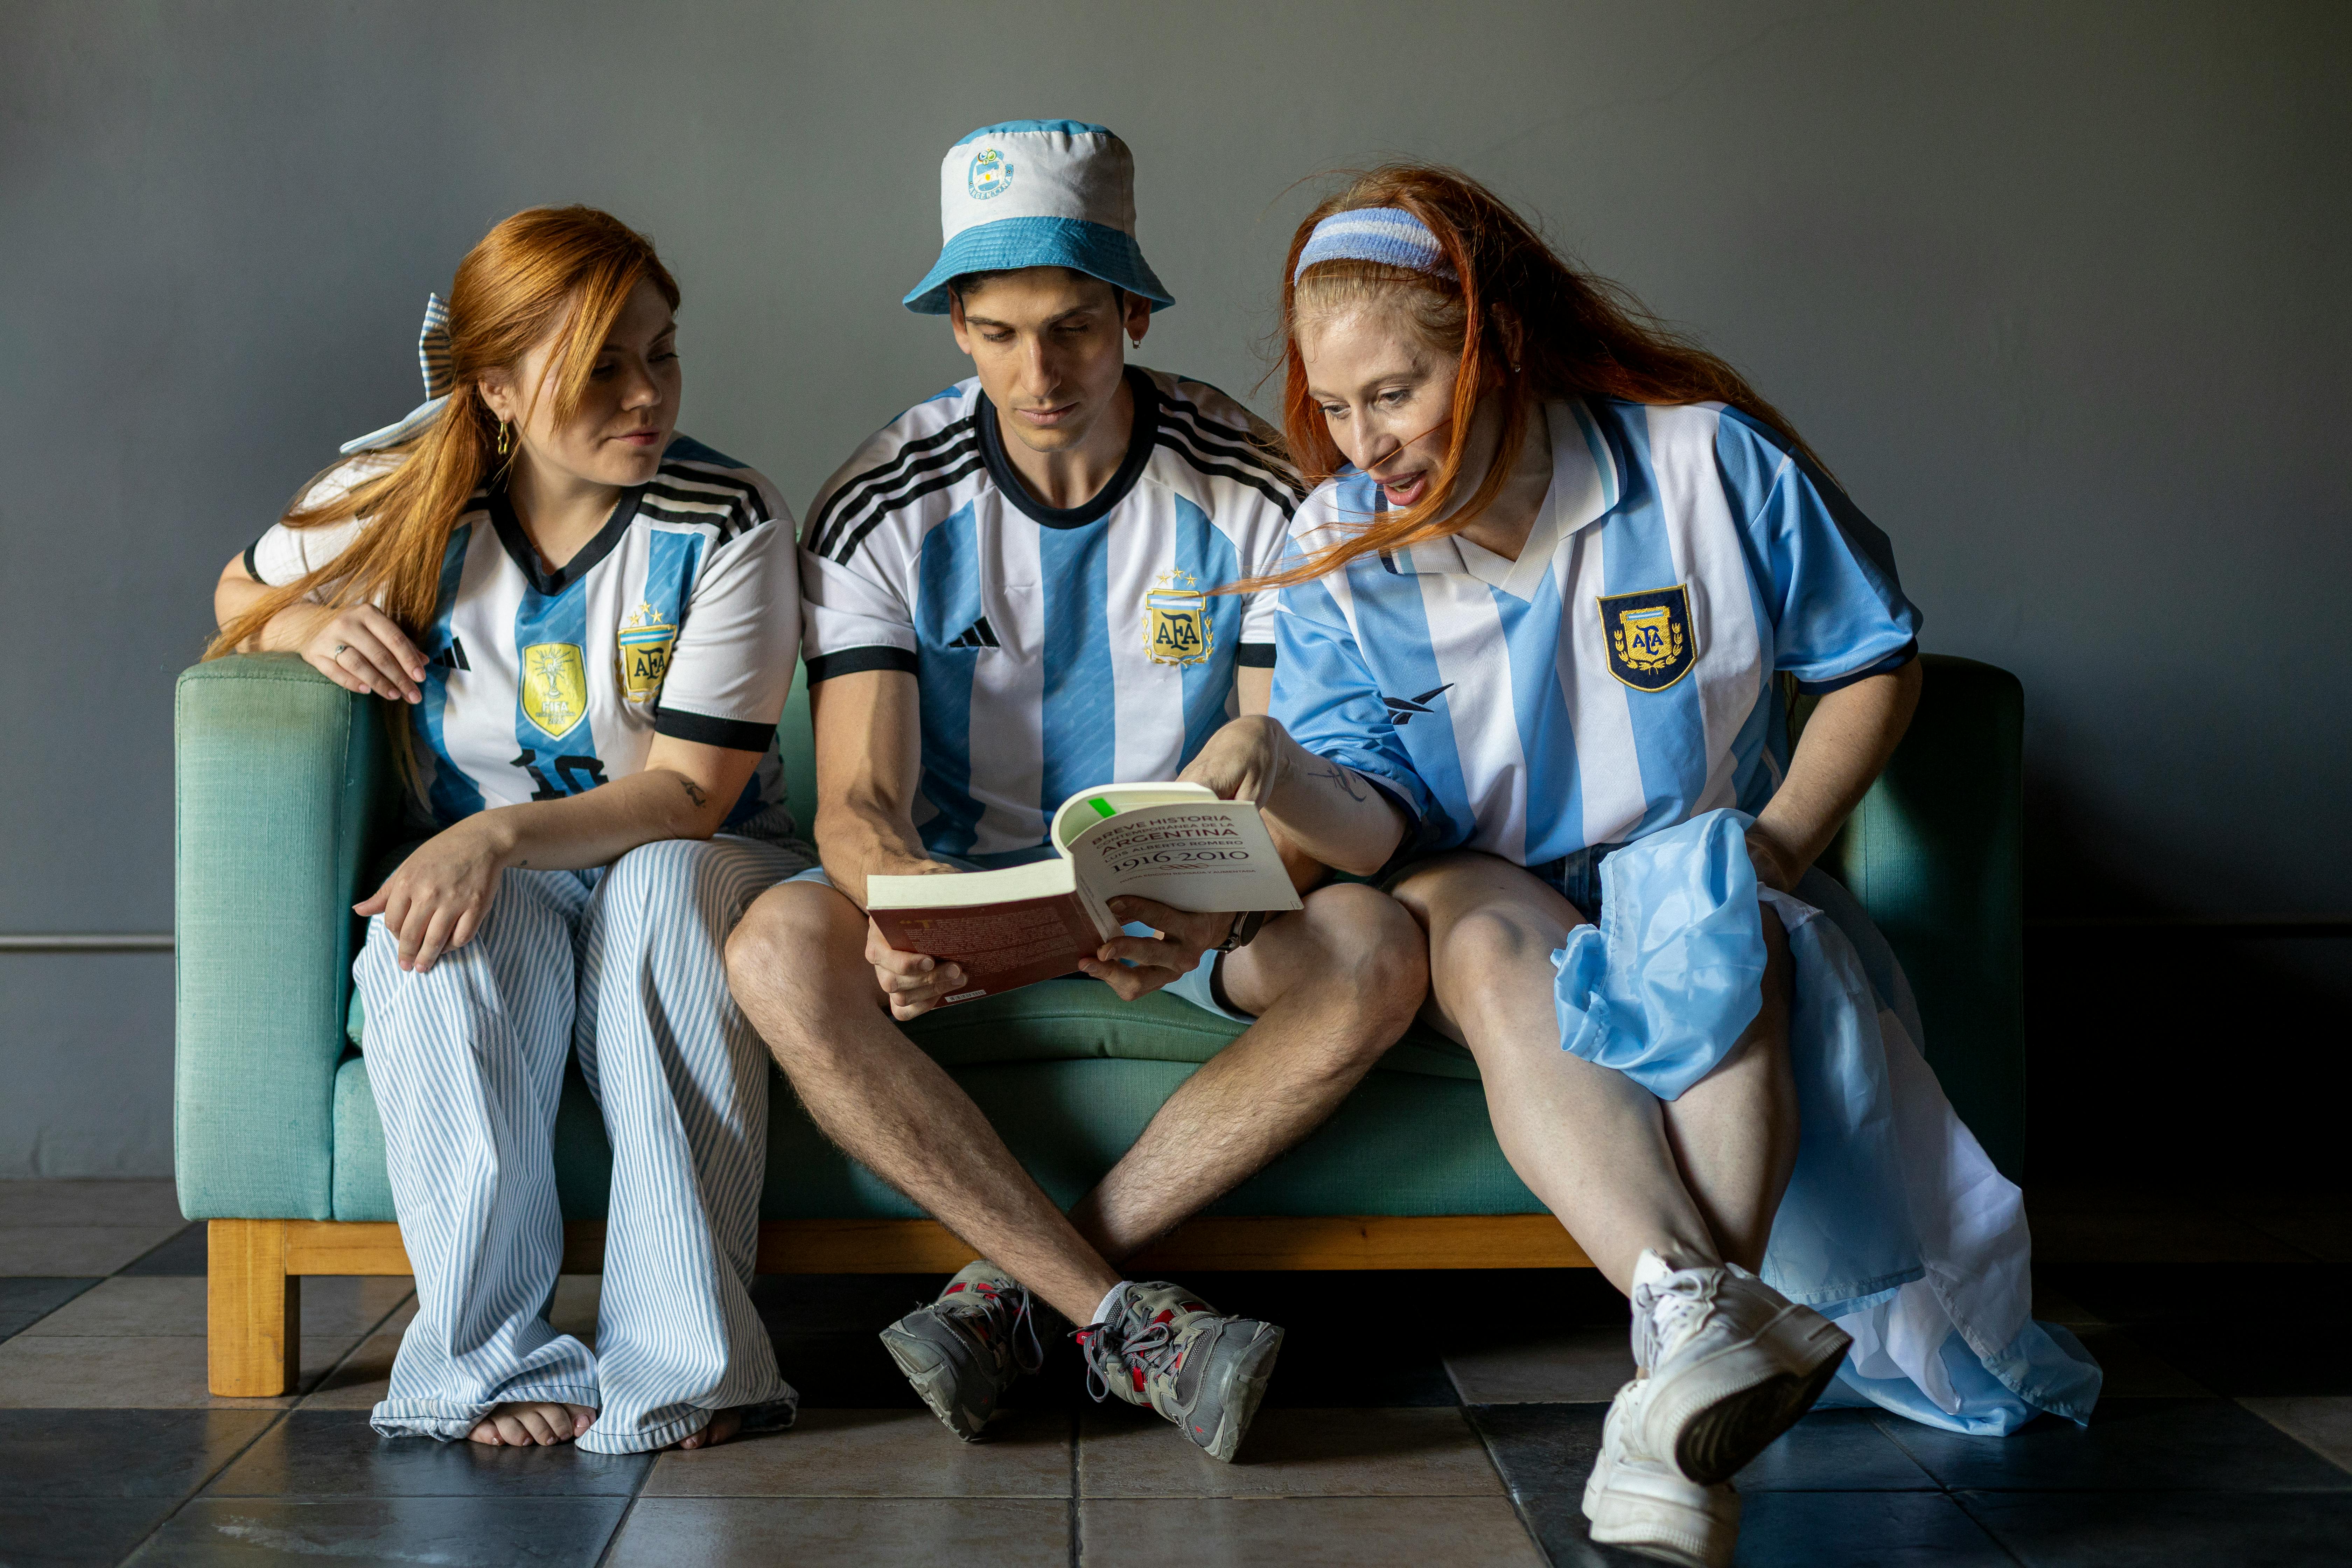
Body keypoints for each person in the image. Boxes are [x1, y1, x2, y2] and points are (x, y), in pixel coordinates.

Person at [1186, 169, 2101, 1564]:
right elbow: (1379, 832)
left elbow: (1874, 662)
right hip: (1475, 880)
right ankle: (1700, 1343)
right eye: (1339, 405)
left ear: (1492, 351)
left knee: (1715, 914)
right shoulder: (1333, 544)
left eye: (1397, 394)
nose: (1367, 444)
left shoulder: (1704, 462)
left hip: (1688, 862)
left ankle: (1677, 1363)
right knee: (1476, 925)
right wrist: (1275, 761)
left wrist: (1777, 845)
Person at [724, 122, 1427, 1462]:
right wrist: (900, 906)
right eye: (996, 334)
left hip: (1189, 903)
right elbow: (857, 800)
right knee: (768, 947)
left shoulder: (1261, 485)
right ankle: (1121, 1316)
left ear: (1134, 314)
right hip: (961, 899)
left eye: (1072, 329)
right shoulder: (881, 499)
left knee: (1377, 948)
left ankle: (1018, 1296)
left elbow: (1289, 765)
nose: (1035, 374)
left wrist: (1213, 911)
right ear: (957, 328)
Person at [209, 206, 808, 1454]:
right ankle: (485, 1364)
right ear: (495, 386)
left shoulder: (729, 514)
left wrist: (492, 838)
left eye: (663, 354)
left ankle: (689, 1369)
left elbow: (692, 795)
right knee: (430, 946)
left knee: (656, 898)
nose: (646, 395)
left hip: (701, 859)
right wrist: (306, 627)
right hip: (506, 871)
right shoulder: (405, 493)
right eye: (601, 367)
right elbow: (237, 588)